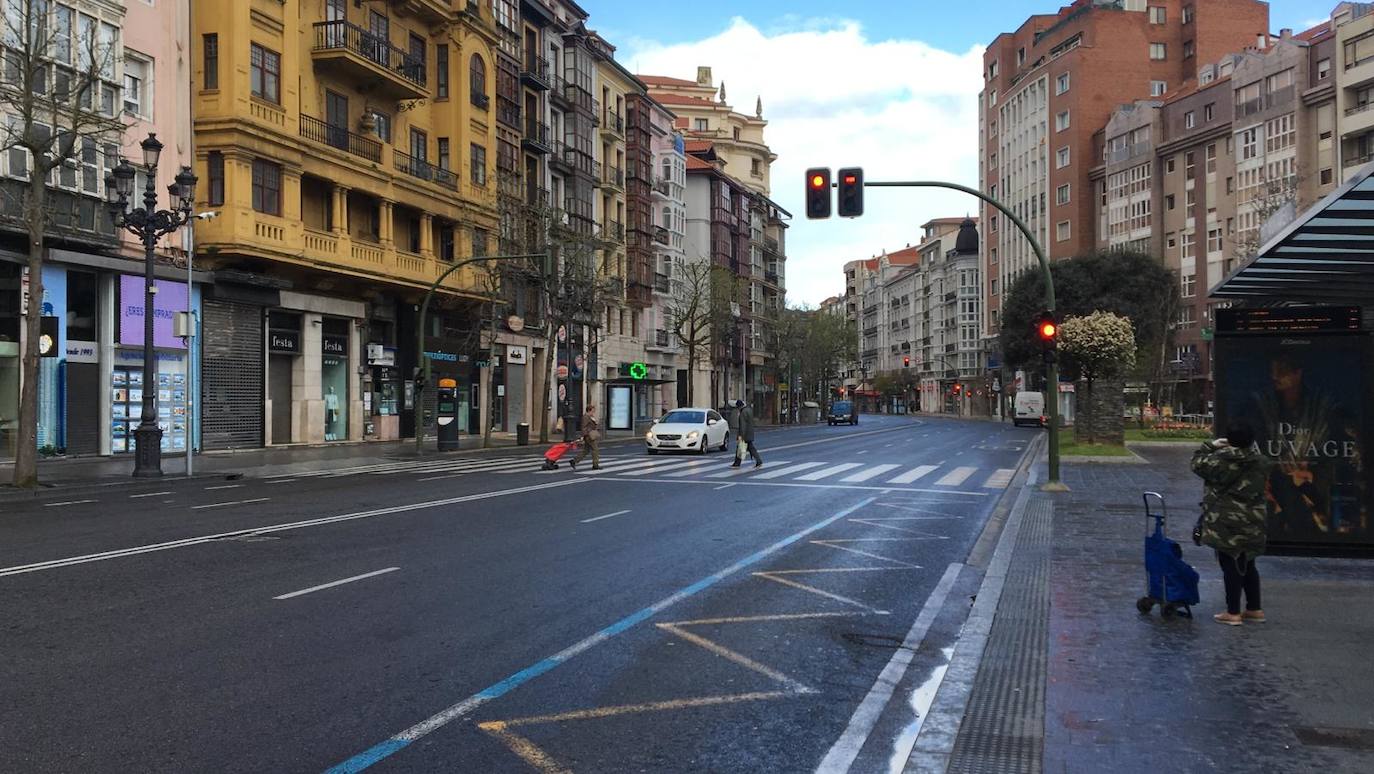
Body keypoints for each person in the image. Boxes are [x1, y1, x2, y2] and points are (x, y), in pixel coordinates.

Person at [1192, 422, 1269, 626]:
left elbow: (1196, 462)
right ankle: (1254, 608)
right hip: (1253, 520)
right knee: (1249, 562)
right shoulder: (1261, 462)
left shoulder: (1218, 461)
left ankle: (1233, 612)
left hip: (1226, 521)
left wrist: (1210, 446)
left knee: (1230, 564)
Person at [731, 399, 763, 468]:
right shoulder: (749, 410)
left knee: (740, 448)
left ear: (739, 406)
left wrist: (741, 436)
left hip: (744, 435)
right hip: (750, 433)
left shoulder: (743, 413)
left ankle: (737, 463)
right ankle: (758, 461)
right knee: (749, 448)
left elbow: (743, 425)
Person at [569, 404, 600, 470]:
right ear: (589, 410)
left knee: (586, 450)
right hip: (589, 436)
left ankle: (574, 461)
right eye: (593, 411)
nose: (593, 412)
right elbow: (584, 427)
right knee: (595, 449)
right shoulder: (585, 417)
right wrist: (583, 436)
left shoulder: (590, 417)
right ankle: (595, 465)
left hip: (589, 435)